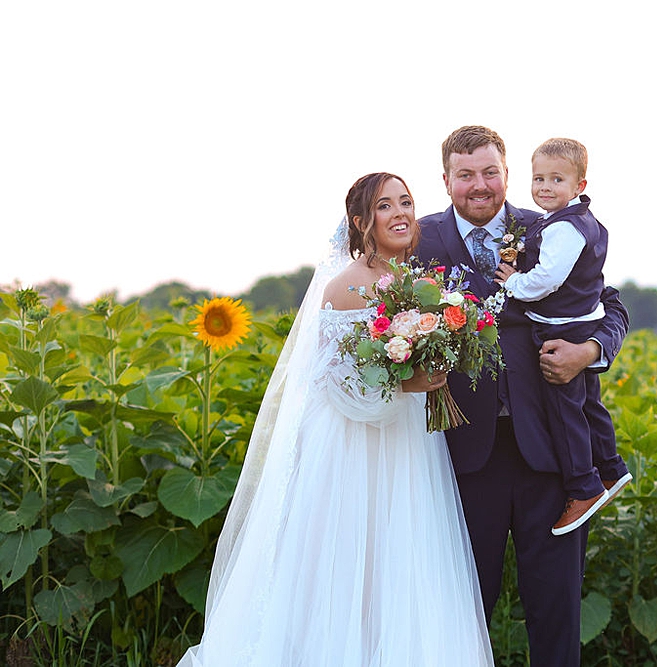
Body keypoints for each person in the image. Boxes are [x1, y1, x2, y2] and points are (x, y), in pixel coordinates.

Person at [177, 173, 494, 667]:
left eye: (406, 202)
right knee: (348, 563)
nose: (401, 214)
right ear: (361, 221)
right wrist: (407, 383)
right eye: (386, 206)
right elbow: (334, 383)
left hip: (406, 441)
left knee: (401, 559)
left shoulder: (420, 284)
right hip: (352, 445)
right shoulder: (345, 286)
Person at [416, 126, 630, 667]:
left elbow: (613, 308)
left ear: (507, 174)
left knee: (556, 609)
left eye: (490, 172)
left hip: (553, 452)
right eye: (466, 175)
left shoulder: (554, 226)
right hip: (461, 456)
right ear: (447, 180)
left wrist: (590, 353)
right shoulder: (418, 240)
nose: (480, 185)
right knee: (463, 608)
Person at [494, 137, 631, 536]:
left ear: (580, 186)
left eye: (556, 179)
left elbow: (548, 279)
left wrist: (515, 283)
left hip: (563, 331)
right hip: (579, 319)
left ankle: (584, 486)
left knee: (565, 410)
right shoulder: (568, 222)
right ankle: (611, 469)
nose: (545, 187)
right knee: (589, 405)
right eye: (539, 178)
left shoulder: (563, 229)